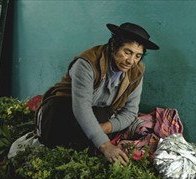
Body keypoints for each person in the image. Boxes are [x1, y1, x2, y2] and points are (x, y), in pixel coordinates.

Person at [36, 22, 159, 166]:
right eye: (127, 52)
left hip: (95, 113)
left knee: (99, 119)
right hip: (64, 107)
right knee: (55, 131)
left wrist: (104, 128)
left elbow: (130, 112)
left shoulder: (136, 71)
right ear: (114, 46)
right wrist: (105, 145)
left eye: (138, 56)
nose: (131, 61)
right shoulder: (87, 63)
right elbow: (81, 108)